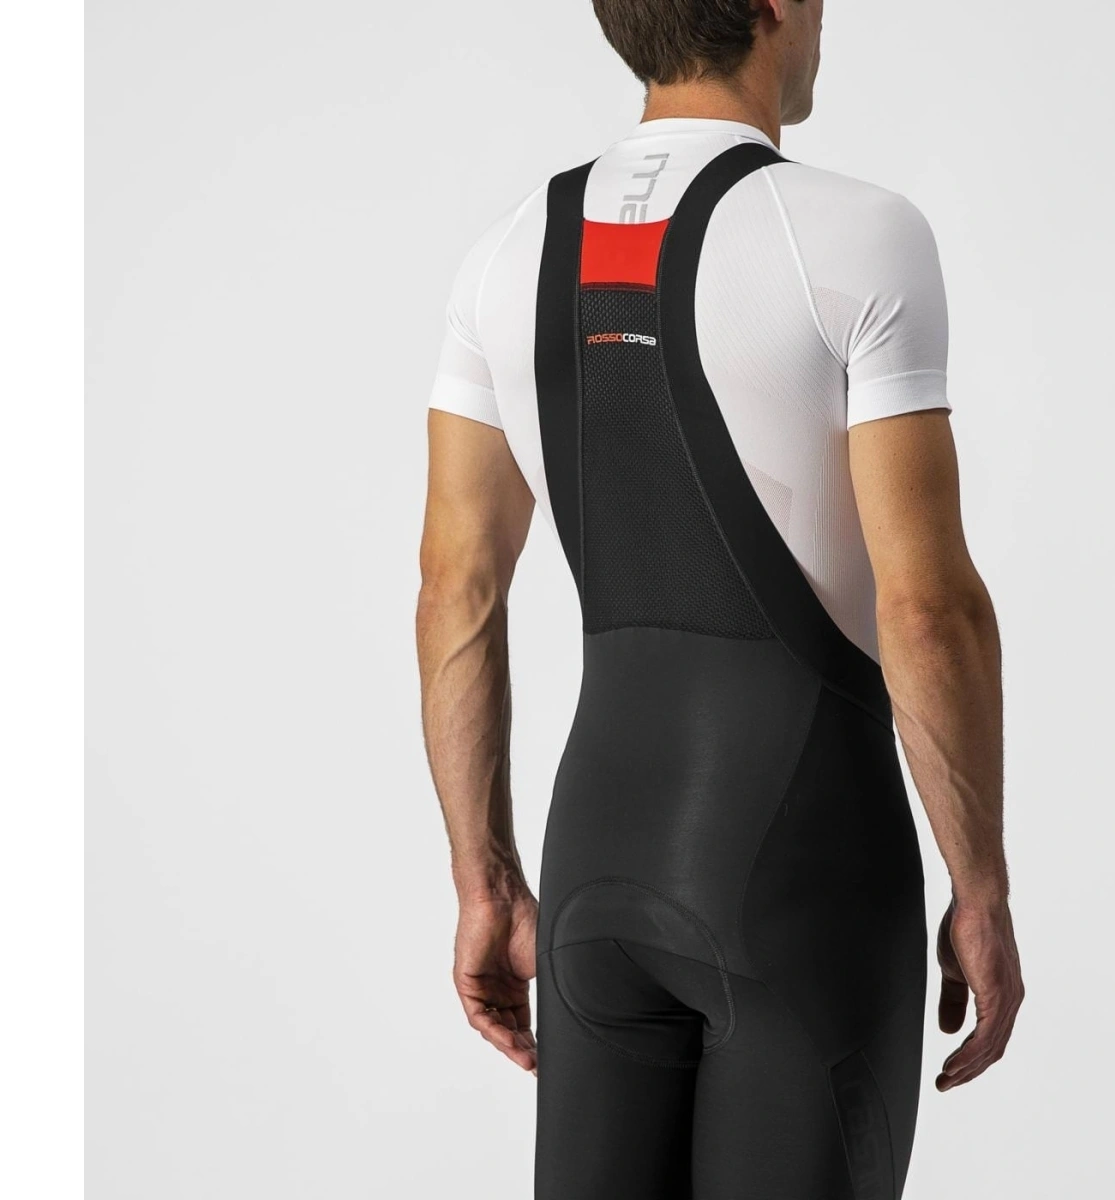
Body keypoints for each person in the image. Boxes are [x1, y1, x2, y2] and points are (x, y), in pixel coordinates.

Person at [415, 2, 1023, 1195]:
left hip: (593, 875)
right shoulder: (860, 236)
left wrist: (483, 882)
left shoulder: (503, 256)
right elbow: (926, 607)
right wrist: (983, 886)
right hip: (803, 872)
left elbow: (455, 587)